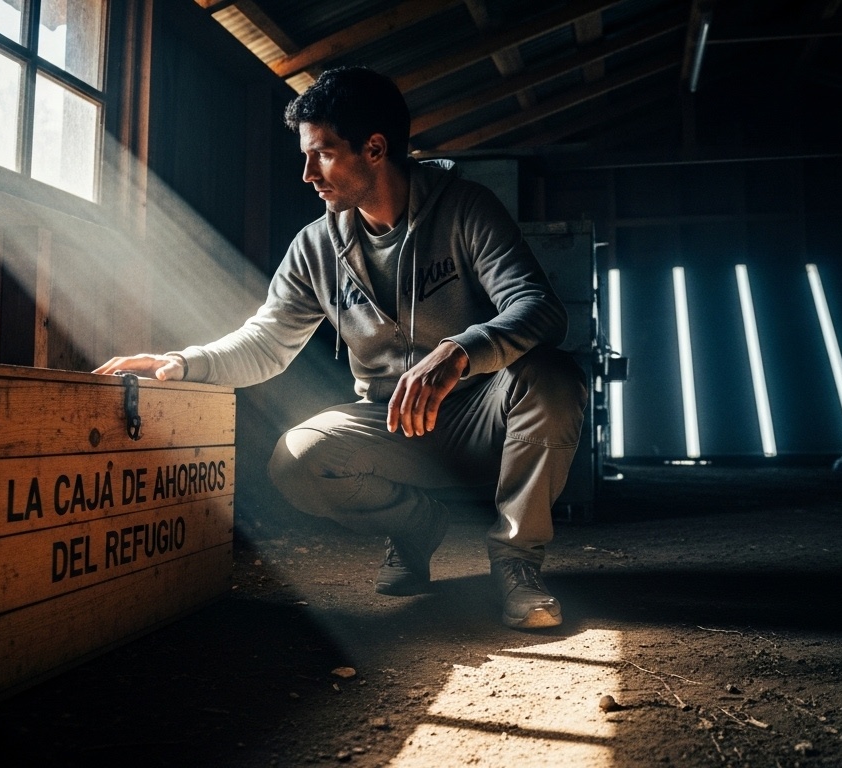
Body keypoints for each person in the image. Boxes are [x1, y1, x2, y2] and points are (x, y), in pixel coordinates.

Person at [94, 66, 587, 630]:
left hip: (485, 416)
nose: (307, 174)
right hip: (391, 427)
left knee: (554, 377)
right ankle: (415, 526)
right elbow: (267, 340)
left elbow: (541, 310)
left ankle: (517, 564)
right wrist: (183, 362)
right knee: (297, 458)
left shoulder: (466, 209)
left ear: (374, 148)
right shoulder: (314, 247)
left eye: (322, 154)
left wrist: (457, 351)